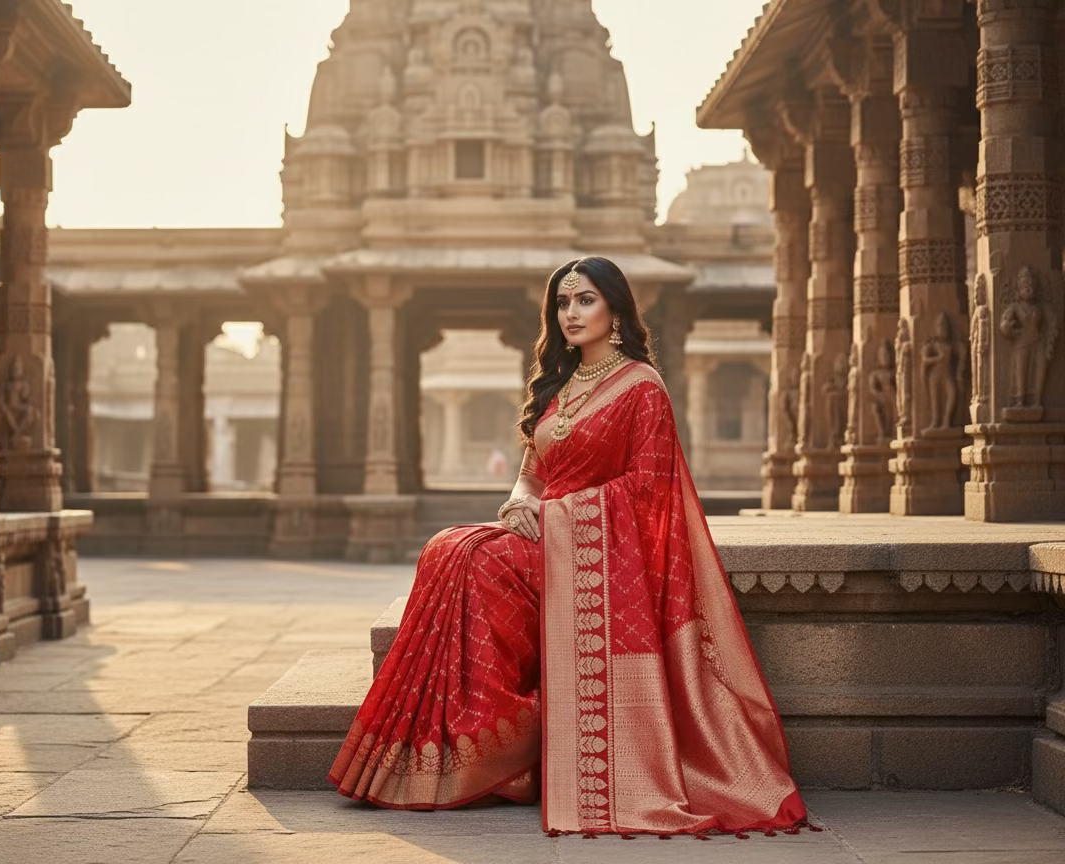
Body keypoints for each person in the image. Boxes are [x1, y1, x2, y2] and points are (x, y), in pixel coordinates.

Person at [329, 257, 808, 838]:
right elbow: (531, 474)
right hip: (553, 536)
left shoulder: (641, 387)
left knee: (477, 559)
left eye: (585, 300)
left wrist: (558, 517)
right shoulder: (559, 387)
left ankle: (506, 745)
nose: (572, 313)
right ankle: (481, 747)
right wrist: (518, 505)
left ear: (615, 309)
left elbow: (648, 487)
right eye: (562, 302)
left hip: (601, 555)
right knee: (447, 547)